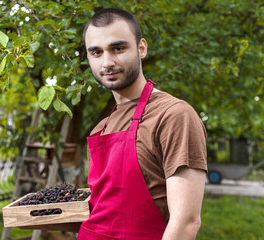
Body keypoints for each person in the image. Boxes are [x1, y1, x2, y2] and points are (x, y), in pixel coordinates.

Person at [77, 8, 207, 240]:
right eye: (96, 52)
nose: (107, 62)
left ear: (141, 48)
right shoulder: (101, 129)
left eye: (118, 48)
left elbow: (186, 223)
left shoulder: (173, 115)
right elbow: (103, 214)